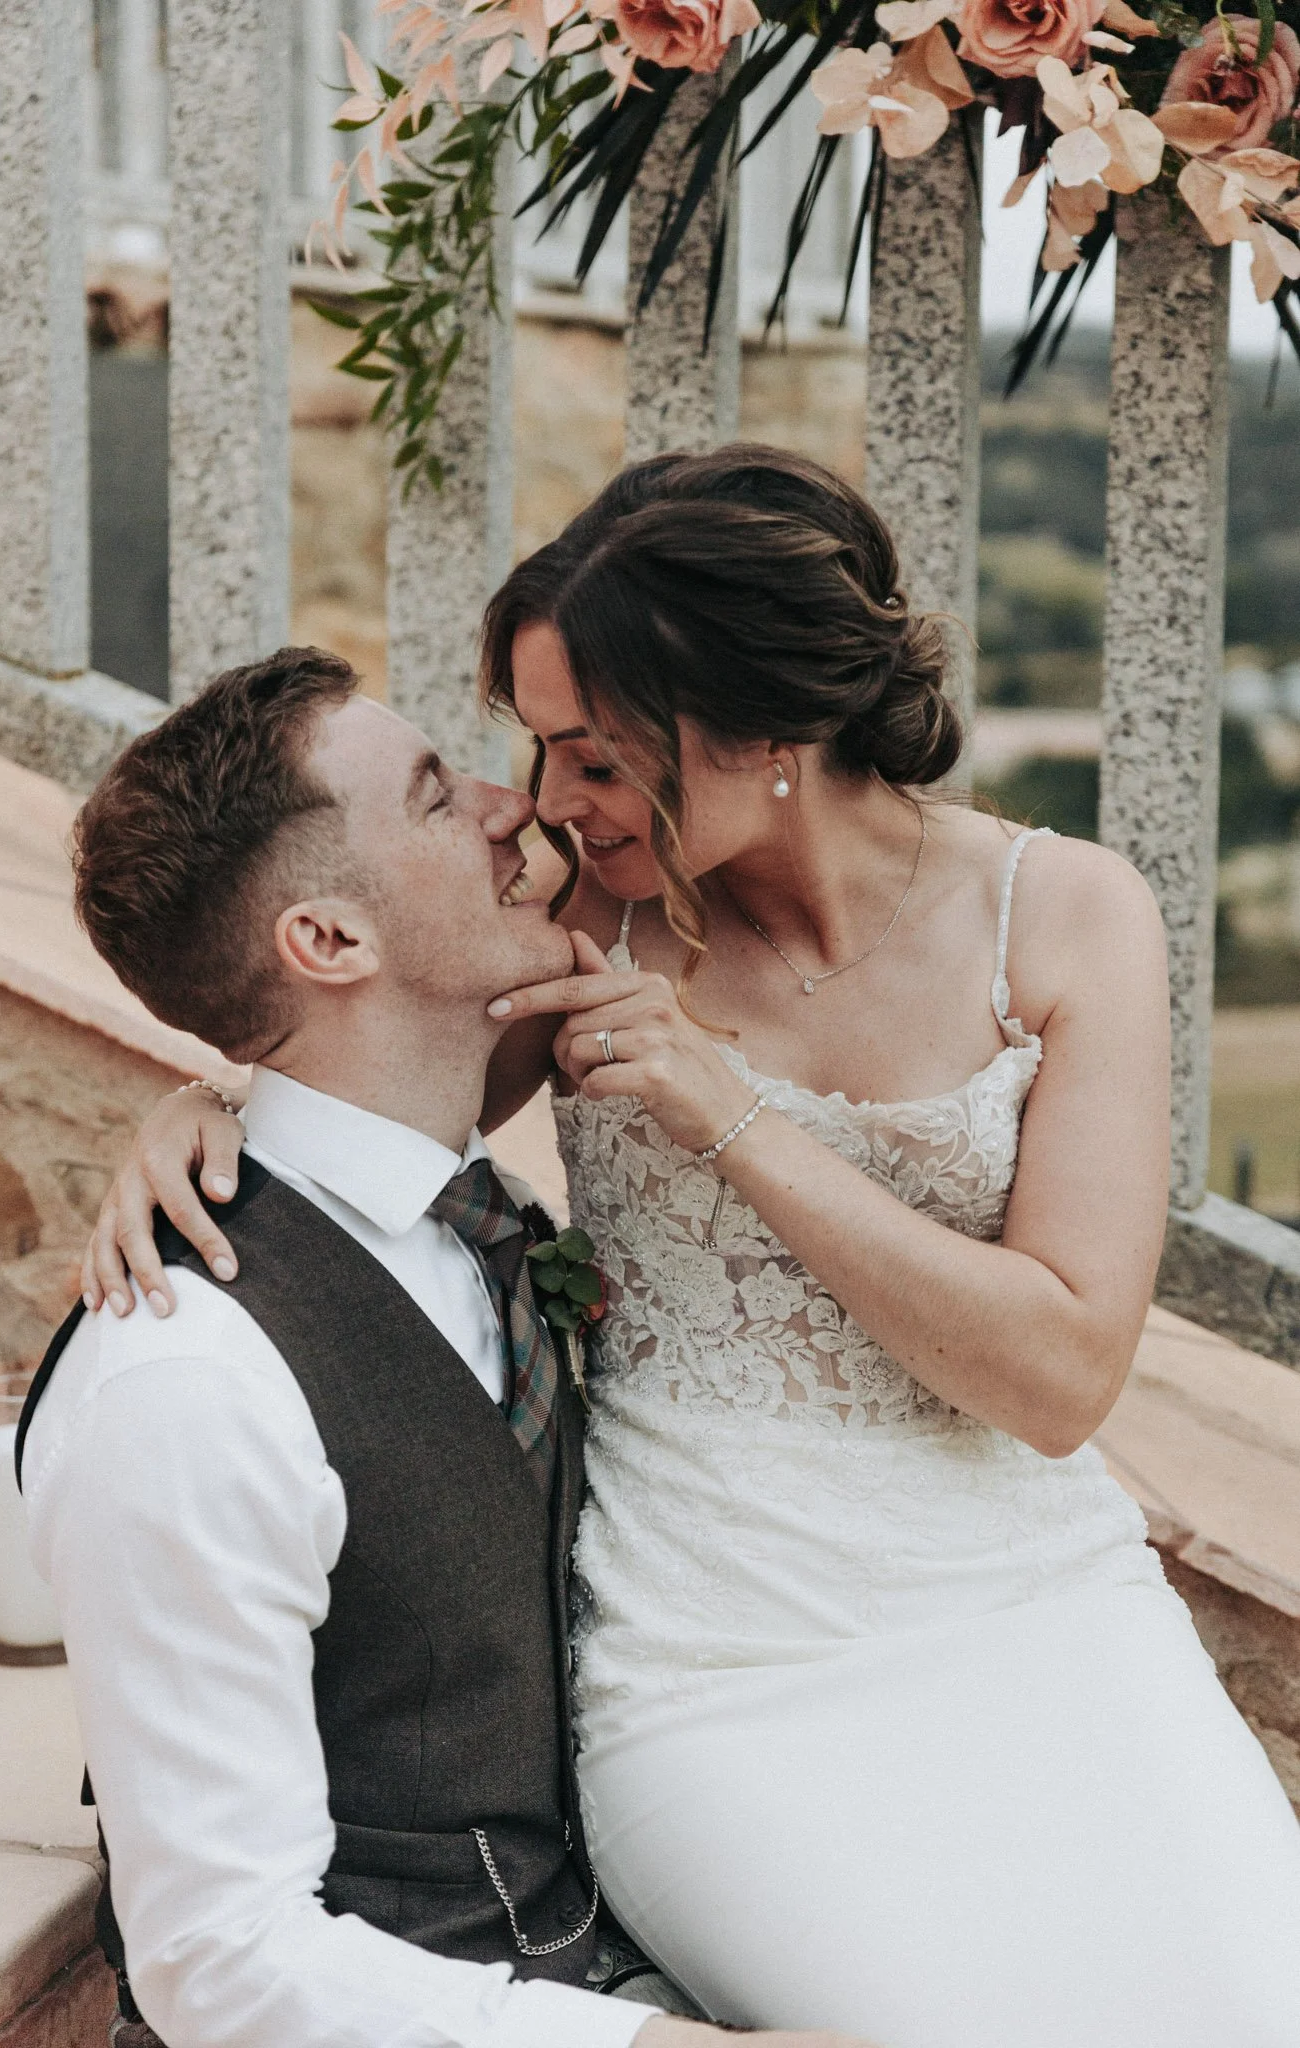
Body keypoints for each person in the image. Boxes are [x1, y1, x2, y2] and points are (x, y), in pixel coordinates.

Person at [83, 449, 1300, 2048]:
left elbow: (1064, 1375)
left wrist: (734, 1118)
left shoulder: (1069, 918)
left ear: (761, 733)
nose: (548, 807)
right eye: (533, 750)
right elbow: (362, 1072)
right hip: (715, 1649)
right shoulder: (599, 918)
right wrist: (200, 1109)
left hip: (1034, 1597)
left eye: (593, 757)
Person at [19, 645, 866, 2048]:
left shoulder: (485, 1222)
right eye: (429, 795)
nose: (506, 803)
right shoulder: (186, 1383)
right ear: (329, 943)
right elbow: (218, 1958)